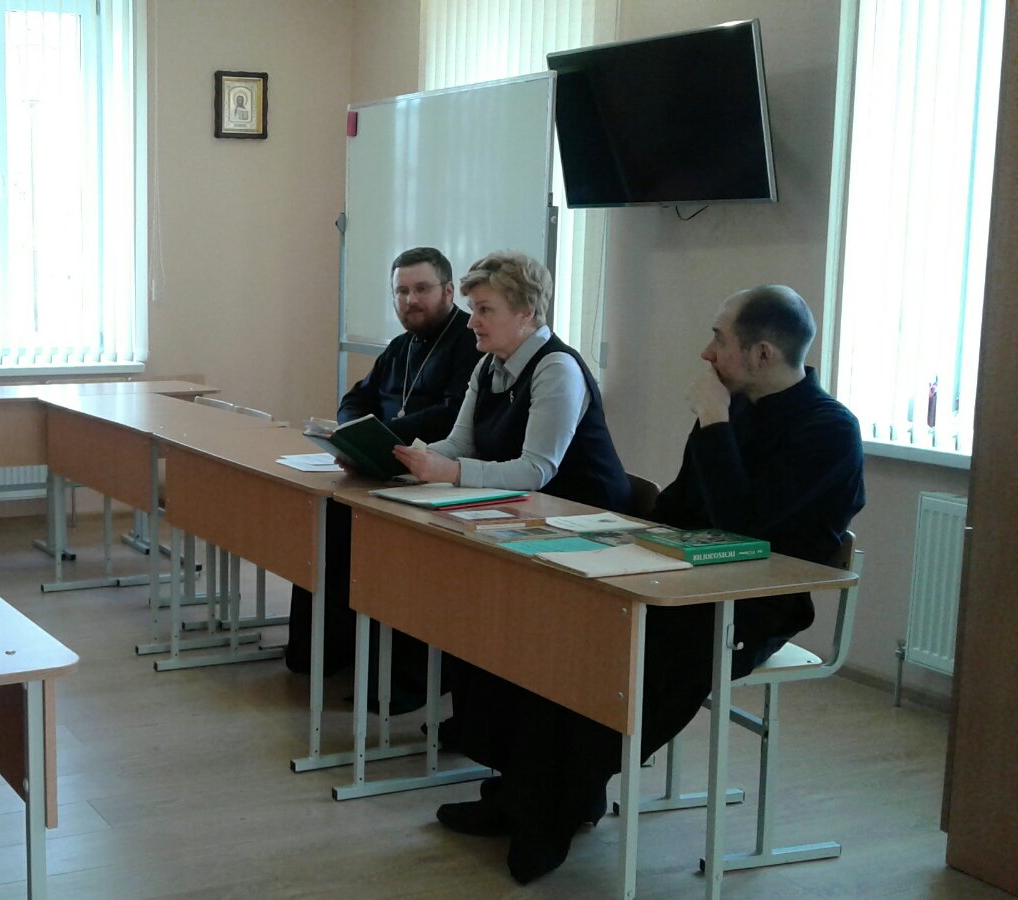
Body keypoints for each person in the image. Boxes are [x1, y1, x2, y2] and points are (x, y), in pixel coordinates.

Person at [434, 285, 865, 885]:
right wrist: (616, 546)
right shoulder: (730, 410)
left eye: (719, 339)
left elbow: (745, 525)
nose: (706, 353)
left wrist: (715, 423)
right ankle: (522, 794)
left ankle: (547, 813)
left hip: (751, 606)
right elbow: (682, 509)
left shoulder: (828, 430)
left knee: (629, 658)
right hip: (679, 577)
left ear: (763, 353)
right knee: (555, 624)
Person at [284, 247, 483, 694]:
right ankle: (324, 654)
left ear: (449, 291)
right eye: (401, 291)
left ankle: (395, 680)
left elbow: (453, 416)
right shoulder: (400, 347)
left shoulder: (470, 344)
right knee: (325, 524)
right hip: (382, 468)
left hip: (431, 477)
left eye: (421, 289)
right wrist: (354, 431)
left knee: (383, 544)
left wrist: (383, 436)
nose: (410, 300)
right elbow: (357, 397)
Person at [391, 250, 631, 510]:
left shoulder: (557, 368)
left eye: (485, 310)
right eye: (472, 310)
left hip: (588, 515)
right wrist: (399, 459)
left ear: (525, 312)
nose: (471, 323)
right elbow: (460, 444)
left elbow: (535, 470)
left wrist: (453, 471)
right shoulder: (486, 365)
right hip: (529, 510)